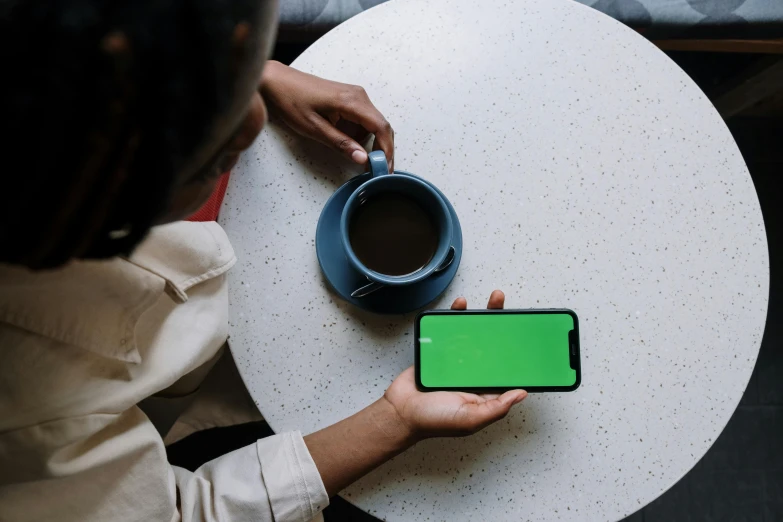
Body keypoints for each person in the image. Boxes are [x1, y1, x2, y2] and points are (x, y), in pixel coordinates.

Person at [0, 1, 527, 521]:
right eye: (205, 139)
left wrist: (255, 75)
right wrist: (395, 420)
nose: (253, 121)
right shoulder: (26, 398)